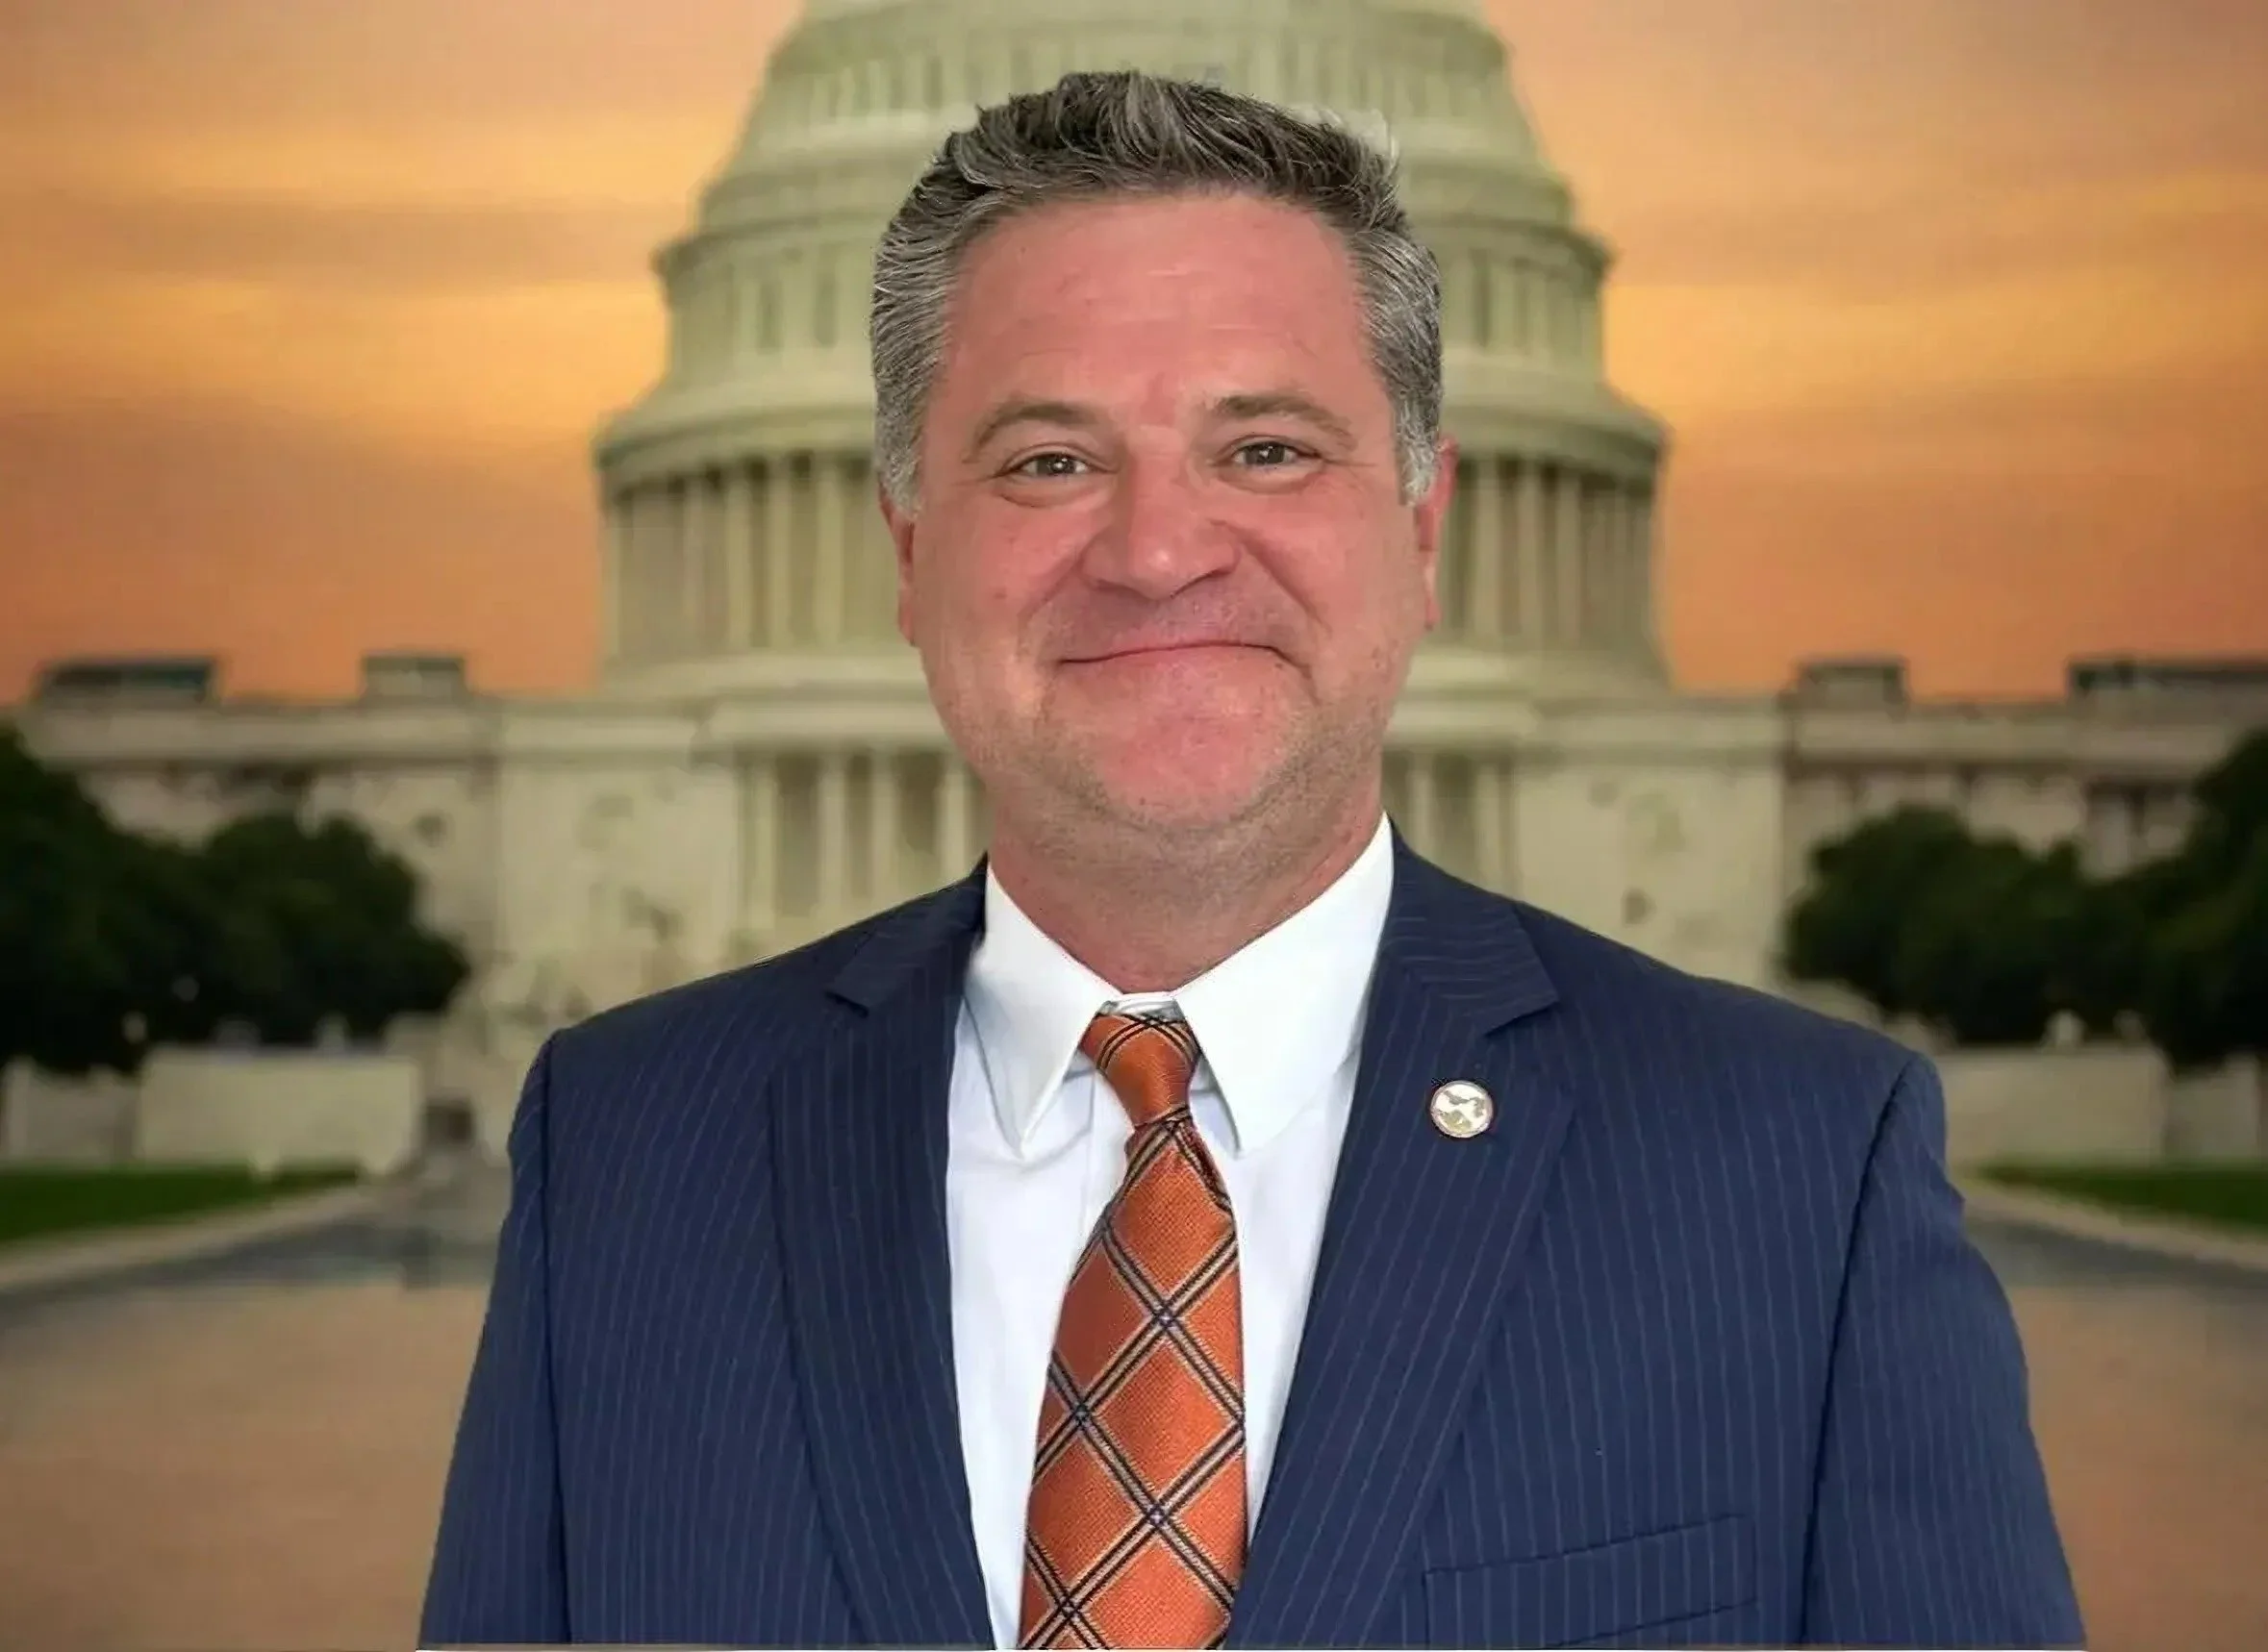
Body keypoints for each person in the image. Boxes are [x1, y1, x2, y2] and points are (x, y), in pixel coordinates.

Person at [420, 69, 2083, 1651]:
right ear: (913, 548)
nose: (1156, 553)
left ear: (1424, 531)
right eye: (1050, 460)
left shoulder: (1796, 1172)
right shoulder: (627, 1159)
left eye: (1266, 449)